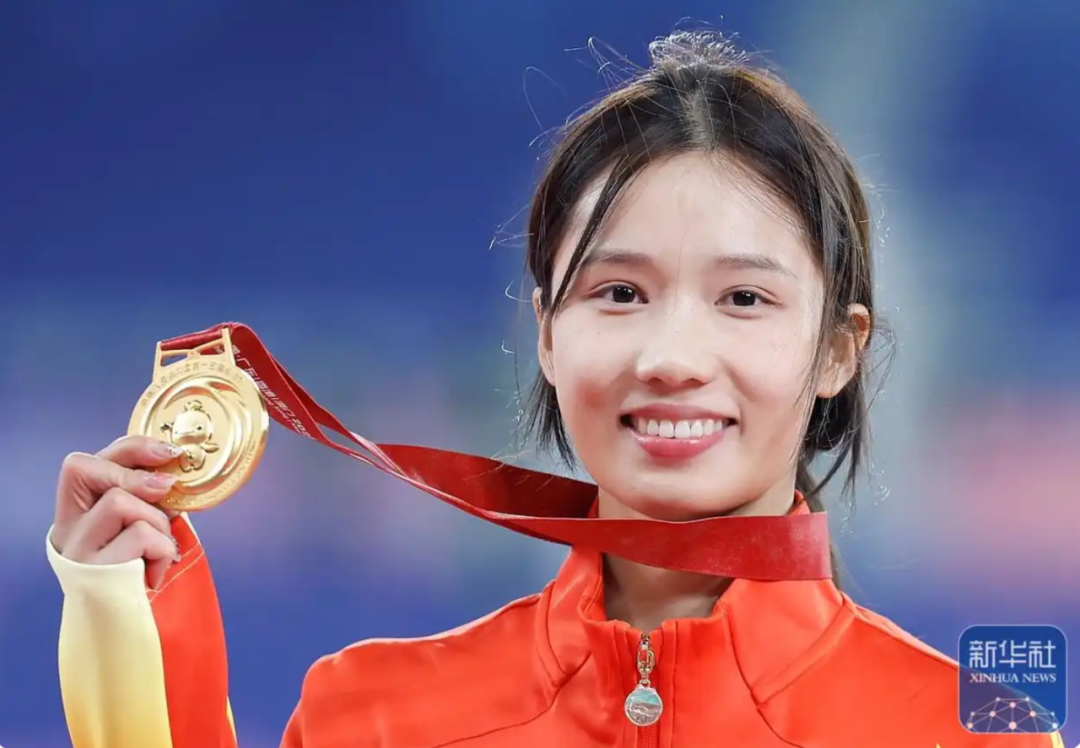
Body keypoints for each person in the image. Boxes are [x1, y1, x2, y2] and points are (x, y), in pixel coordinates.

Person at [45, 30, 1064, 748]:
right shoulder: (372, 714)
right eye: (619, 293)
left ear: (839, 348)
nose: (671, 356)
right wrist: (123, 628)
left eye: (743, 299)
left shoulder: (972, 731)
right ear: (544, 332)